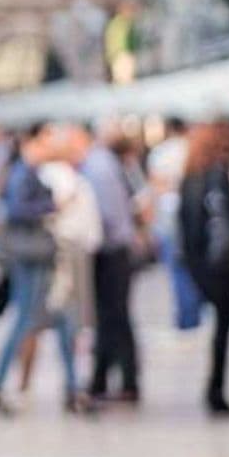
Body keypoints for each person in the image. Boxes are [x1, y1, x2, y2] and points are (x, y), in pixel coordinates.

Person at [0, 124, 94, 416]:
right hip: (33, 255)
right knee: (28, 321)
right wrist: (52, 206)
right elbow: (19, 208)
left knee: (58, 320)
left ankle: (71, 386)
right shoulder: (24, 173)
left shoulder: (28, 172)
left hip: (41, 255)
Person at [180, 122, 229, 418]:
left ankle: (216, 389)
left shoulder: (191, 176)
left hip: (202, 261)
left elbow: (186, 224)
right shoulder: (220, 175)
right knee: (223, 330)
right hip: (221, 262)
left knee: (221, 329)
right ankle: (216, 391)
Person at [81, 121, 143, 404]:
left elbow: (107, 215)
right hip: (116, 248)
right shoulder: (108, 165)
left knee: (113, 316)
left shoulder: (98, 166)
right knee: (114, 317)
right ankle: (106, 377)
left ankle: (115, 379)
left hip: (110, 251)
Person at [148, 118, 201, 331]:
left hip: (167, 216)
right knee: (191, 264)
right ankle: (194, 311)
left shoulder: (160, 153)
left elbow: (155, 185)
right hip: (190, 215)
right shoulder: (192, 150)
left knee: (176, 268)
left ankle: (185, 315)